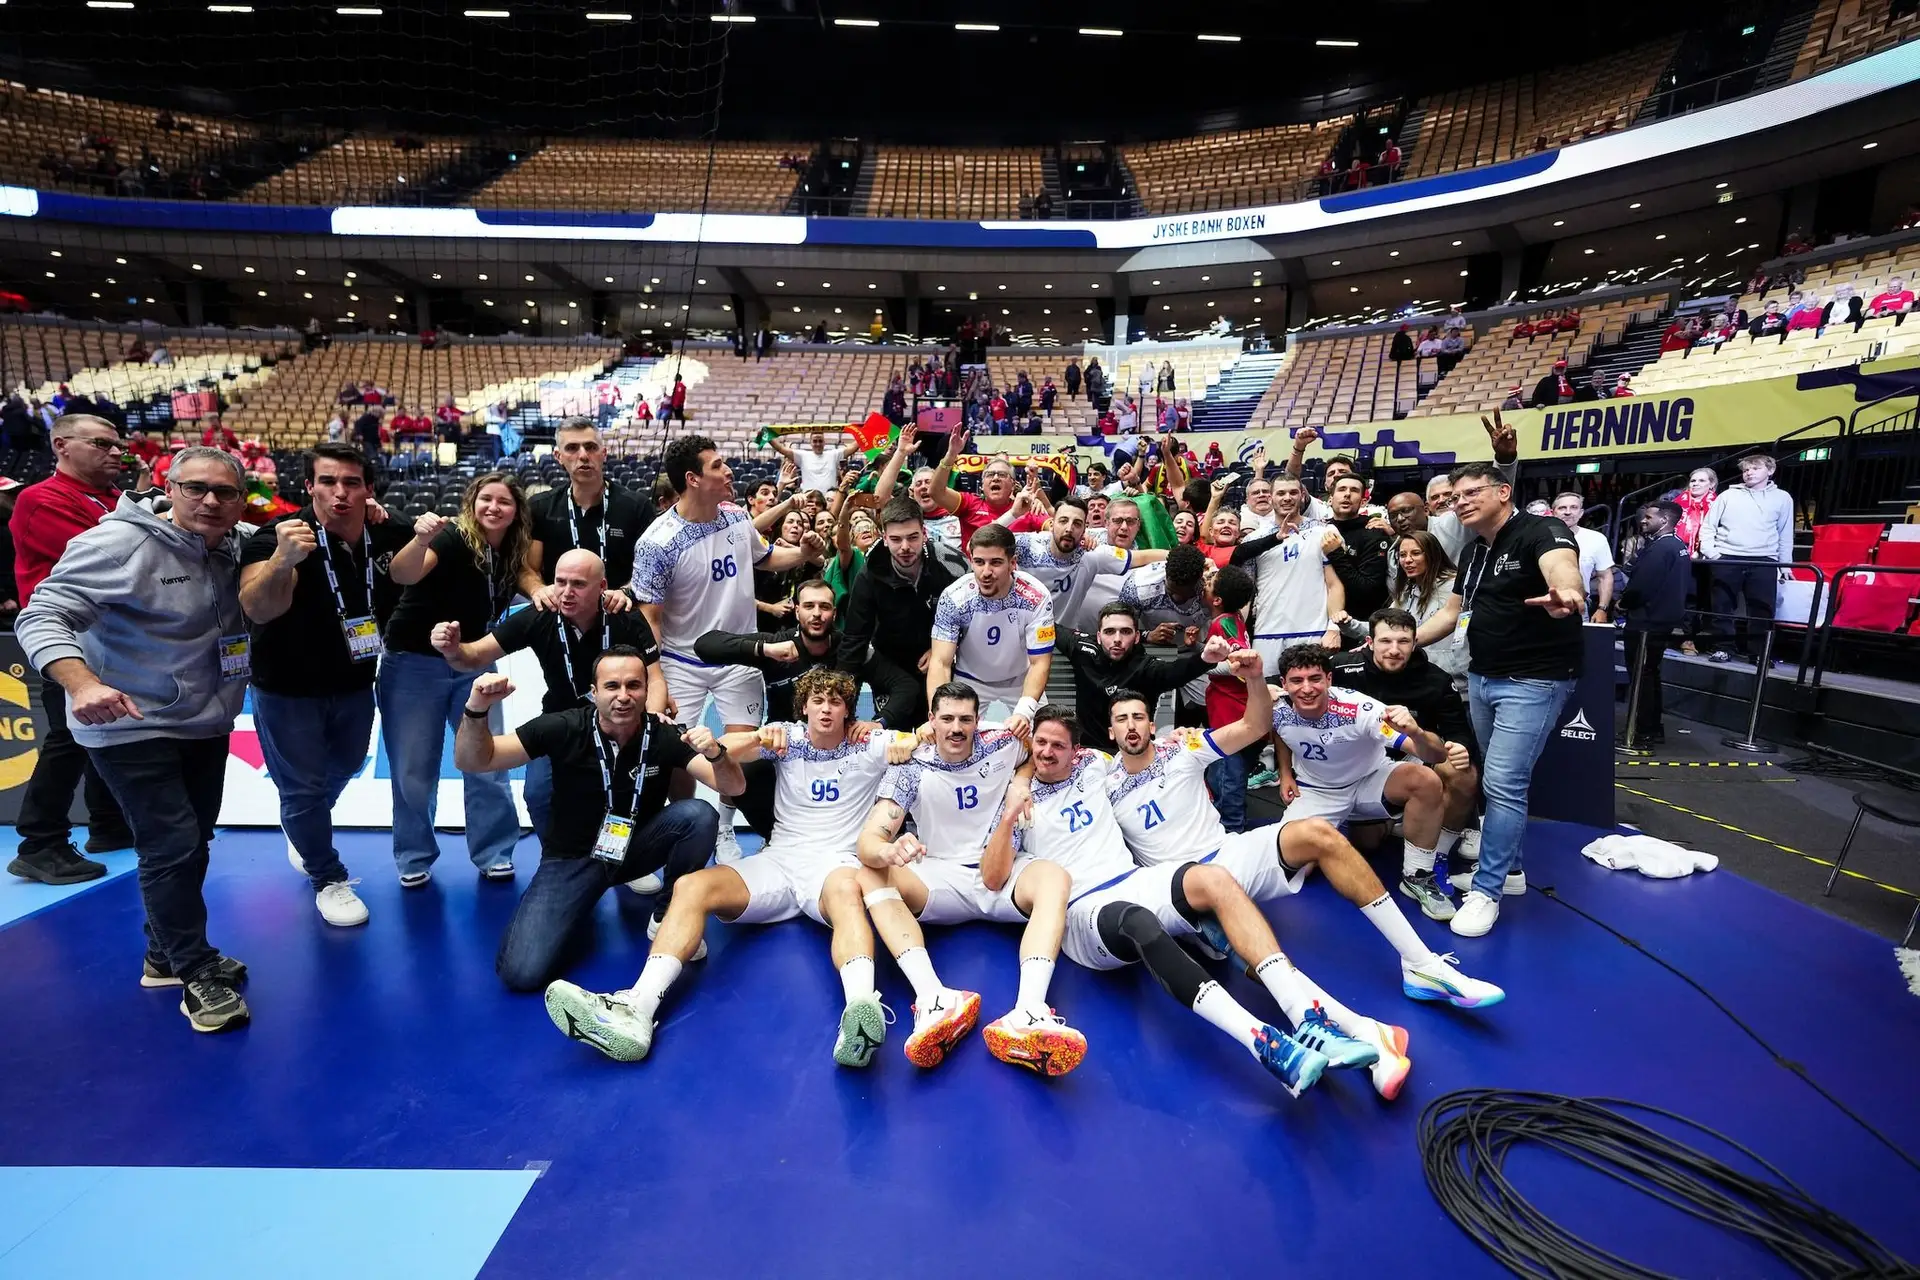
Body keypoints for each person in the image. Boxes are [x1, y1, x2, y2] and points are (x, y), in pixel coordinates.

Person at [542, 668, 911, 1065]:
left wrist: (904, 742)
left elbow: (926, 738)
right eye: (817, 701)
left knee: (848, 892)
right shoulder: (789, 738)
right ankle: (638, 1008)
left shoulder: (868, 742)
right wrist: (758, 736)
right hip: (780, 862)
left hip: (834, 864)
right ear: (803, 707)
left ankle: (860, 1011)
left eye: (835, 702)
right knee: (691, 887)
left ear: (847, 712)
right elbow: (723, 747)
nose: (826, 709)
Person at [16, 447, 254, 1032]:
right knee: (170, 844)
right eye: (195, 488)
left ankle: (163, 953)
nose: (209, 501)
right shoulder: (115, 544)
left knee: (194, 841)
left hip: (205, 720)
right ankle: (194, 969)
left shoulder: (237, 542)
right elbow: (40, 614)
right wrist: (80, 682)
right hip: (129, 723)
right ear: (168, 488)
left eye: (224, 492)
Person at [1106, 657, 1420, 1099]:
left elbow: (1255, 724)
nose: (1132, 725)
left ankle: (1414, 968)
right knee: (1242, 955)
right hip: (1179, 889)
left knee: (1316, 835)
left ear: (1152, 723)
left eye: (1139, 716)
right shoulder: (1101, 781)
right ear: (1110, 733)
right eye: (1122, 719)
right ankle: (1368, 1032)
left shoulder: (1183, 747)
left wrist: (1254, 677)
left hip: (1228, 858)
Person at [1004, 705, 1355, 1097]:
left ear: (1076, 750)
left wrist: (1176, 737)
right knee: (1139, 922)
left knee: (1213, 879)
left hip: (1134, 881)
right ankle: (1263, 1041)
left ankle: (1304, 1015)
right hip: (1085, 910)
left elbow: (1133, 752)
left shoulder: (1095, 768)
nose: (1047, 752)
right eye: (1040, 743)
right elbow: (995, 873)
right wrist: (1017, 787)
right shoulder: (1014, 797)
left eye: (1058, 745)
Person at [454, 650, 741, 993]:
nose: (623, 696)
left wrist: (717, 754)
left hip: (634, 850)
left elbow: (733, 786)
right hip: (572, 860)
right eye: (612, 686)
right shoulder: (563, 726)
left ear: (647, 691)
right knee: (521, 973)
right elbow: (475, 760)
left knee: (698, 815)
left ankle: (667, 914)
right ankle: (577, 904)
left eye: (633, 685)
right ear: (594, 692)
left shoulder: (662, 735)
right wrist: (476, 708)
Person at [855, 681, 1082, 1075]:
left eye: (965, 719)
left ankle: (1028, 1012)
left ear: (979, 721)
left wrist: (1021, 780)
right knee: (870, 872)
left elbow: (1033, 752)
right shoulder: (910, 767)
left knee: (1055, 877)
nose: (956, 728)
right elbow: (868, 840)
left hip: (1002, 869)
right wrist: (888, 851)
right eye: (946, 719)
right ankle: (934, 999)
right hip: (939, 877)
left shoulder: (1002, 743)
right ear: (931, 721)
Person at [238, 444, 414, 927]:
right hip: (286, 688)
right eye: (328, 481)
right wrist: (281, 561)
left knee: (347, 765)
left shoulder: (386, 531)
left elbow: (422, 541)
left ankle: (302, 820)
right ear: (309, 486)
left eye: (352, 483)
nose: (340, 492)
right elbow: (257, 608)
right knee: (303, 788)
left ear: (368, 489)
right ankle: (326, 875)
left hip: (356, 681)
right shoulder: (274, 539)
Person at [632, 435, 825, 862]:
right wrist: (656, 677)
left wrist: (804, 556)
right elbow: (650, 618)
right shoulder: (656, 542)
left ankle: (722, 828)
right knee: (678, 757)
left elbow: (765, 558)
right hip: (682, 661)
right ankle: (678, 830)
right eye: (718, 465)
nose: (729, 470)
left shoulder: (736, 517)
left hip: (741, 655)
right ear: (692, 479)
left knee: (743, 747)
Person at [1440, 462, 1585, 937]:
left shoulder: (1541, 529)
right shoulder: (1474, 551)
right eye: (1454, 495)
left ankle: (1487, 891)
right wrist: (1396, 644)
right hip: (1482, 678)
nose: (1460, 500)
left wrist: (1568, 591)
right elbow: (1451, 613)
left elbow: (1560, 567)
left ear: (1504, 492)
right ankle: (1514, 873)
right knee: (1495, 781)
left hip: (1534, 682)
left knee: (1503, 783)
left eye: (1471, 492)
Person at [433, 549, 666, 840]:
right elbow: (472, 656)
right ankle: (558, 858)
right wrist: (452, 648)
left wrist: (653, 721)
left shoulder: (625, 616)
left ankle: (627, 860)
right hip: (561, 719)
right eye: (560, 582)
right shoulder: (540, 615)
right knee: (538, 793)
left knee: (627, 792)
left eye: (578, 584)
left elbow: (655, 679)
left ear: (602, 587)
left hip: (620, 722)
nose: (567, 592)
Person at [381, 472, 540, 888]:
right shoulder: (452, 536)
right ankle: (414, 856)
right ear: (472, 503)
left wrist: (539, 590)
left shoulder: (508, 548)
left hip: (473, 661)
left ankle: (495, 852)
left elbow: (523, 574)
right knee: (413, 768)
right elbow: (404, 574)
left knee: (487, 759)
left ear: (516, 511)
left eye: (503, 501)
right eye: (485, 499)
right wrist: (418, 541)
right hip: (413, 664)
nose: (493, 507)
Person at [4, 414, 137, 884]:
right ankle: (40, 844)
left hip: (109, 635)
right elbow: (110, 553)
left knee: (104, 730)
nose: (116, 452)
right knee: (68, 739)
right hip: (65, 639)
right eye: (102, 444)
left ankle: (108, 824)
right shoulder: (41, 499)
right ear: (61, 445)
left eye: (119, 445)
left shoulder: (110, 498)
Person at [1330, 613, 1481, 918]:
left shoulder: (1436, 679)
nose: (1394, 649)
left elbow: (1458, 732)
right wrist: (1267, 686)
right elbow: (1299, 676)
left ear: (1415, 644)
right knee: (1368, 843)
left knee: (1461, 771)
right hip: (1361, 767)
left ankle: (1432, 859)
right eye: (1385, 641)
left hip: (1414, 757)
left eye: (1403, 642)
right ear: (1370, 642)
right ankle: (1400, 819)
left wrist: (1461, 747)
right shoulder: (1343, 668)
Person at [841, 497, 959, 732]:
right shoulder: (869, 575)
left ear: (924, 533)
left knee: (939, 731)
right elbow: (854, 639)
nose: (905, 547)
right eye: (895, 539)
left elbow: (974, 618)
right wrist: (841, 701)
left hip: (941, 657)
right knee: (895, 736)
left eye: (912, 537)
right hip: (891, 663)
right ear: (884, 538)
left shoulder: (951, 564)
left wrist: (944, 648)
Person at [927, 524, 1053, 733]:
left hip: (1021, 680)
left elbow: (1040, 662)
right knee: (948, 736)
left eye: (995, 563)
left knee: (1044, 736)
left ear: (1013, 563)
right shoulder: (954, 597)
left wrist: (1024, 711)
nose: (985, 572)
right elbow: (940, 662)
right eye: (978, 562)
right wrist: (938, 713)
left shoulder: (1037, 597)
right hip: (970, 680)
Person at [1057, 601, 1230, 752]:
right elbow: (1047, 625)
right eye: (1110, 632)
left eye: (1125, 632)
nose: (1117, 639)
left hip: (1136, 754)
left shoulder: (1147, 667)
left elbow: (1175, 671)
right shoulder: (1082, 649)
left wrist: (1205, 659)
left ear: (1137, 636)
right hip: (1091, 753)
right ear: (1099, 637)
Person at [526, 417, 652, 593]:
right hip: (559, 611)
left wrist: (626, 592)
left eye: (591, 447)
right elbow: (528, 569)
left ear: (604, 453)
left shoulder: (638, 506)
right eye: (572, 448)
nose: (583, 455)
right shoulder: (539, 507)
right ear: (558, 457)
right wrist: (537, 590)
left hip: (619, 611)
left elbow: (652, 569)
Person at [1698, 453, 1793, 664]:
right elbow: (1708, 526)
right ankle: (1723, 648)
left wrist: (1785, 564)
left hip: (1764, 559)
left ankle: (1758, 653)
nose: (1748, 472)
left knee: (1761, 609)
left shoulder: (1783, 498)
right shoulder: (1727, 496)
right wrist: (1713, 554)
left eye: (1755, 468)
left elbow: (1785, 533)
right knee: (1722, 606)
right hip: (1728, 557)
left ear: (1770, 470)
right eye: (1746, 469)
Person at [1013, 494, 1158, 630]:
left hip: (1065, 640)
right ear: (1052, 524)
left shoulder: (1092, 553)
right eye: (1063, 521)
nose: (1069, 529)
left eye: (1077, 524)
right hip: (1020, 637)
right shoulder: (1026, 545)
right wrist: (1013, 514)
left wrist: (1177, 556)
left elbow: (1142, 557)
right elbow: (990, 540)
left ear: (1084, 529)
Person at [1619, 500, 1689, 745]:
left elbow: (1642, 585)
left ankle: (1641, 730)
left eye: (1649, 517)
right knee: (1649, 673)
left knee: (1641, 675)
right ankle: (1650, 727)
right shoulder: (1677, 545)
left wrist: (1623, 603)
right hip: (1661, 619)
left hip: (1647, 620)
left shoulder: (1661, 548)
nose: (1643, 520)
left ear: (1665, 520)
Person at [927, 432, 1044, 547]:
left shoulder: (1027, 509)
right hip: (973, 566)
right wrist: (951, 455)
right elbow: (935, 492)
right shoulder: (969, 503)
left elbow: (1056, 529)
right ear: (982, 485)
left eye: (1002, 474)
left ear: (1013, 484)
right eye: (990, 474)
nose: (996, 478)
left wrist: (1043, 502)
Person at [1390, 530, 1468, 687]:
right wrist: (1349, 624)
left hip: (1459, 682)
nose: (1408, 560)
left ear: (1432, 554)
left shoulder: (1455, 587)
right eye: (1403, 555)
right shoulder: (1407, 590)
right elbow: (1386, 627)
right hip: (1423, 680)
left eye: (1416, 553)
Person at [1117, 543, 1210, 637]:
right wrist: (1147, 635)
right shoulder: (1138, 587)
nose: (1177, 598)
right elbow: (1119, 628)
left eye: (1186, 594)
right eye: (1171, 591)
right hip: (1152, 648)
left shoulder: (1212, 586)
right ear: (1166, 572)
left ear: (1200, 578)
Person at [1550, 491, 1616, 623]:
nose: (1568, 512)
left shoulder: (1596, 539)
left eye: (1574, 507)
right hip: (1540, 607)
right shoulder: (1537, 537)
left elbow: (1605, 576)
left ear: (1581, 513)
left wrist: (1602, 609)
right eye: (1562, 508)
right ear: (1553, 512)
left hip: (1578, 607)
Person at [770, 428, 855, 496]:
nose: (818, 444)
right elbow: (781, 449)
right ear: (810, 442)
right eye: (815, 441)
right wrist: (767, 437)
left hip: (829, 499)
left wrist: (865, 433)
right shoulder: (803, 456)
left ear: (824, 442)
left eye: (820, 441)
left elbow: (853, 448)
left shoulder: (834, 455)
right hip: (808, 500)